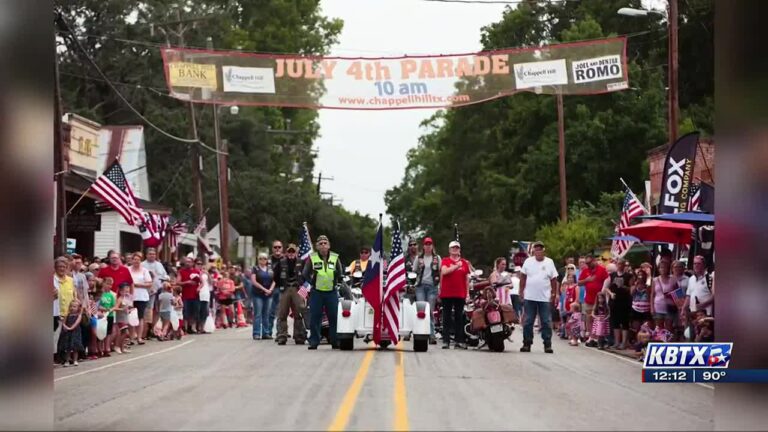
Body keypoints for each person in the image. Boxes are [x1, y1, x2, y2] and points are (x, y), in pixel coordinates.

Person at [303, 235, 344, 350]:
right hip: (317, 293)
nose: (323, 245)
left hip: (331, 292)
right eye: (320, 243)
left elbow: (340, 273)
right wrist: (312, 282)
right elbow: (305, 273)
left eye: (325, 243)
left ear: (329, 245)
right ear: (317, 246)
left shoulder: (335, 257)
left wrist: (337, 282)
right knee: (315, 317)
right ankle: (314, 341)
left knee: (334, 317)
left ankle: (335, 341)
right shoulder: (313, 257)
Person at [519, 241, 559, 353]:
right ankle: (527, 343)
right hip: (530, 296)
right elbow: (523, 277)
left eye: (540, 249)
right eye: (536, 249)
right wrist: (521, 291)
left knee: (546, 321)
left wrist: (553, 294)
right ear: (533, 251)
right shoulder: (528, 262)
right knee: (528, 321)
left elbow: (554, 279)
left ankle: (547, 344)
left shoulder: (549, 262)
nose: (538, 251)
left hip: (544, 297)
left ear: (543, 251)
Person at [439, 240, 471, 349]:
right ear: (449, 250)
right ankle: (446, 340)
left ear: (459, 250)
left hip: (460, 293)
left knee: (459, 317)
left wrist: (467, 293)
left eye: (457, 248)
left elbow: (466, 279)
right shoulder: (445, 261)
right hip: (447, 293)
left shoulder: (464, 263)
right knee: (446, 317)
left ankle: (459, 340)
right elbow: (444, 272)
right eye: (453, 248)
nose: (455, 250)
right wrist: (456, 266)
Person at [274, 244, 307, 345]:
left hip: (297, 289)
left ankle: (299, 336)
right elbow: (276, 276)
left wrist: (303, 290)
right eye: (289, 252)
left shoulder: (301, 262)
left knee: (299, 313)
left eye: (293, 252)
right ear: (286, 252)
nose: (291, 254)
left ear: (296, 252)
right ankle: (282, 336)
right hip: (285, 288)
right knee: (282, 313)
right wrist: (281, 286)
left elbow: (306, 275)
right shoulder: (281, 262)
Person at [412, 237, 440, 344]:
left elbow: (440, 272)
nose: (428, 246)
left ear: (432, 246)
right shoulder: (419, 258)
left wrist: (439, 287)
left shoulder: (437, 258)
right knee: (421, 310)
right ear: (423, 246)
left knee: (430, 312)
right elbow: (414, 271)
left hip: (432, 287)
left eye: (430, 244)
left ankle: (432, 335)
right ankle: (420, 333)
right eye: (426, 244)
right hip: (420, 287)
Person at [578, 255, 609, 347]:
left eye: (589, 263)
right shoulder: (585, 271)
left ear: (594, 261)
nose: (588, 265)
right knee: (589, 317)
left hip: (599, 299)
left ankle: (597, 337)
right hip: (589, 298)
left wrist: (604, 291)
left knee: (598, 318)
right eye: (586, 263)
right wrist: (587, 280)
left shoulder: (601, 269)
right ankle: (591, 336)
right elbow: (579, 283)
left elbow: (607, 280)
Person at [603, 259, 633, 350]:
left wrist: (624, 287)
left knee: (624, 322)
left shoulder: (629, 276)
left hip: (624, 301)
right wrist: (611, 293)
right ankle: (616, 342)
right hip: (614, 301)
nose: (620, 266)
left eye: (621, 264)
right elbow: (606, 288)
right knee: (615, 322)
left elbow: (631, 288)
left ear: (624, 266)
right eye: (618, 264)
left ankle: (624, 343)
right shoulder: (611, 275)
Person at [683, 255, 714, 341]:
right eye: (694, 263)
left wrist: (703, 305)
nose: (696, 265)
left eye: (698, 263)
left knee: (705, 339)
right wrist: (684, 308)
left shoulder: (710, 278)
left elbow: (714, 296)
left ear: (704, 265)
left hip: (705, 315)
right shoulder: (691, 279)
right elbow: (688, 295)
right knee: (692, 337)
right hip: (693, 315)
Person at [142, 247, 167, 339]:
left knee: (157, 310)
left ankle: (153, 328)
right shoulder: (142, 265)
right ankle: (146, 329)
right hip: (147, 291)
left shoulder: (159, 265)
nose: (152, 255)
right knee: (148, 310)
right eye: (150, 254)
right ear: (146, 255)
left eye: (153, 254)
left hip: (158, 290)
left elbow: (164, 276)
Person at [128, 252, 153, 345]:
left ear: (140, 261)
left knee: (140, 317)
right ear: (132, 260)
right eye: (134, 259)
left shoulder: (144, 270)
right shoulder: (128, 270)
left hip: (141, 296)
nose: (136, 261)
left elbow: (149, 283)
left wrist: (138, 284)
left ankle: (139, 337)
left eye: (138, 260)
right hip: (130, 296)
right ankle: (131, 338)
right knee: (131, 316)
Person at [649, 259, 678, 334]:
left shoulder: (673, 279)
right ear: (659, 269)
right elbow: (652, 294)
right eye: (661, 267)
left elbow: (678, 294)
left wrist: (679, 306)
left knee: (669, 328)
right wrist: (652, 308)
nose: (663, 269)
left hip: (670, 307)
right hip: (658, 307)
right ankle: (661, 343)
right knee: (659, 328)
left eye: (664, 267)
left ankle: (668, 344)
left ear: (668, 269)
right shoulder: (655, 280)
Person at [251, 253, 275, 340]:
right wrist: (264, 289)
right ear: (258, 259)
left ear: (267, 259)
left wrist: (270, 290)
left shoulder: (270, 269)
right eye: (260, 258)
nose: (262, 260)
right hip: (258, 294)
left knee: (266, 314)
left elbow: (275, 280)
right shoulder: (255, 268)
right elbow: (253, 281)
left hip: (269, 294)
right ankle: (256, 333)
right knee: (258, 314)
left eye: (264, 258)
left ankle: (266, 333)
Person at [178, 257, 202, 334]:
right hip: (185, 295)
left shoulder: (197, 271)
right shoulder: (181, 271)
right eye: (186, 262)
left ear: (192, 263)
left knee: (194, 312)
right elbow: (177, 282)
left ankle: (192, 327)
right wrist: (187, 282)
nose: (188, 263)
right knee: (185, 312)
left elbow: (202, 282)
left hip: (195, 294)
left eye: (189, 262)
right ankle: (185, 327)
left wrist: (199, 288)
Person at [58, 300, 84, 367]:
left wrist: (70, 328)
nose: (72, 308)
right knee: (68, 347)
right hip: (68, 332)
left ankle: (75, 360)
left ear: (78, 308)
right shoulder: (68, 314)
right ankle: (67, 360)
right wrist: (65, 327)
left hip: (75, 332)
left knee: (75, 347)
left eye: (74, 306)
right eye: (71, 306)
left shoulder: (79, 315)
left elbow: (76, 323)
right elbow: (63, 322)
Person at [267, 240, 284, 339]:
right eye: (275, 247)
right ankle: (268, 331)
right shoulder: (268, 260)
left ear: (282, 248)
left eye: (279, 247)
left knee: (282, 312)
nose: (277, 249)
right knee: (271, 311)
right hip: (271, 289)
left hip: (283, 288)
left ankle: (280, 331)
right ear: (272, 249)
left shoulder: (286, 259)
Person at [630, 268, 652, 344]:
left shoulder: (648, 286)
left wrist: (646, 289)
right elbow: (631, 294)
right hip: (636, 309)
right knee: (636, 327)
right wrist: (636, 286)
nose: (640, 276)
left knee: (646, 327)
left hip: (646, 309)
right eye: (639, 275)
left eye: (642, 275)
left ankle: (644, 343)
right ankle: (637, 343)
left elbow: (649, 297)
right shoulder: (634, 285)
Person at [97, 277, 116, 357]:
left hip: (109, 316)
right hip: (101, 316)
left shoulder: (111, 295)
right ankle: (99, 349)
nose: (109, 286)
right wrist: (103, 309)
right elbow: (97, 305)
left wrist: (110, 310)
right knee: (101, 333)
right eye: (107, 284)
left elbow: (113, 306)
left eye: (111, 285)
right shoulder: (100, 294)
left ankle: (106, 348)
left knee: (108, 333)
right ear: (103, 283)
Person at [113, 282, 134, 354]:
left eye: (128, 291)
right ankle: (117, 346)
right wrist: (122, 309)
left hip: (125, 317)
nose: (127, 293)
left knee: (124, 333)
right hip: (120, 318)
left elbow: (128, 308)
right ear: (121, 291)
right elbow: (115, 308)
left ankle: (122, 347)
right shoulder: (120, 299)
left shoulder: (127, 299)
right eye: (125, 291)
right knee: (125, 332)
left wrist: (130, 310)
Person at [559, 273, 580, 339]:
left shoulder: (576, 287)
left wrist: (573, 306)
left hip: (573, 306)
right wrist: (564, 306)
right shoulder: (567, 287)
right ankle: (567, 334)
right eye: (569, 278)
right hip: (567, 305)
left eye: (571, 278)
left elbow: (577, 298)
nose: (570, 279)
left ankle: (573, 336)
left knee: (572, 322)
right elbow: (566, 297)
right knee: (567, 321)